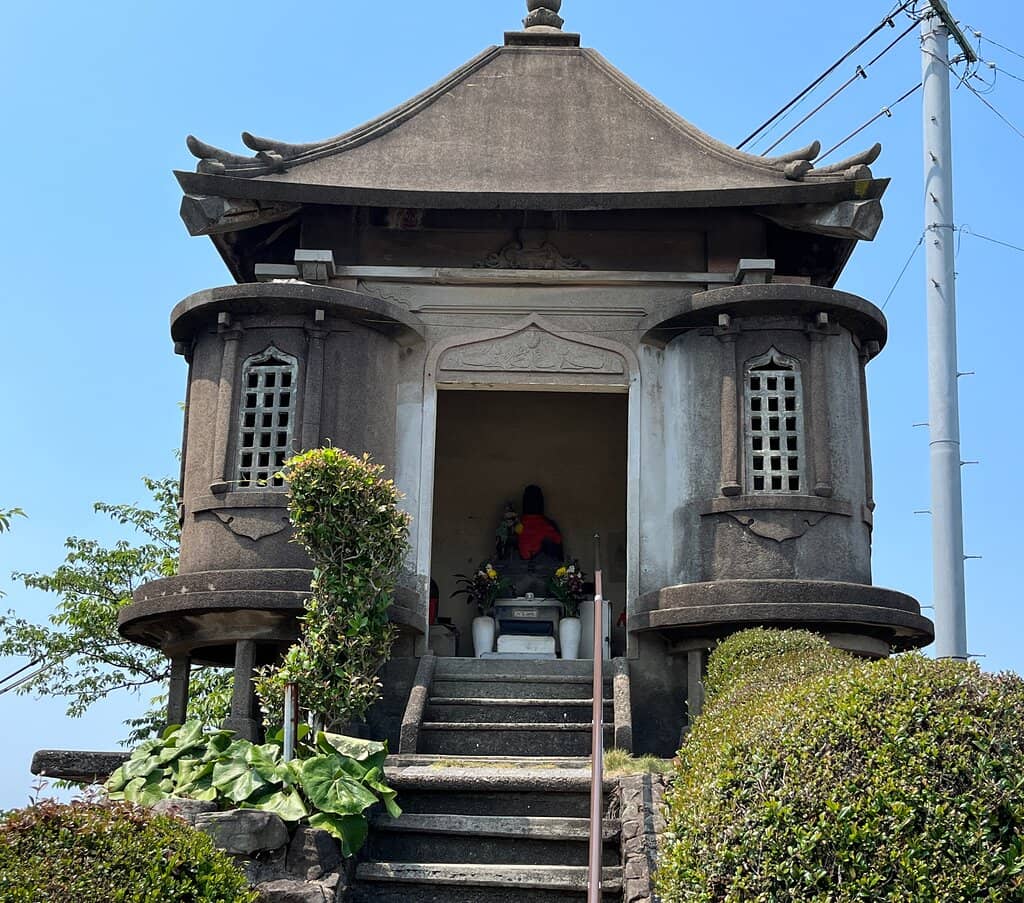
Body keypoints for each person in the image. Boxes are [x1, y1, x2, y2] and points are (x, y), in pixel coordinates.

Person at [516, 484, 564, 561]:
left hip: (521, 565)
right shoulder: (548, 524)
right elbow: (558, 542)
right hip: (543, 565)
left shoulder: (518, 524)